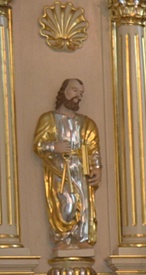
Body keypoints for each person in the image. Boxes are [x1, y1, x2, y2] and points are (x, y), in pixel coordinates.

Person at [34, 78, 101, 250]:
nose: (78, 96)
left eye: (81, 93)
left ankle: (82, 237)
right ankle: (62, 237)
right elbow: (39, 144)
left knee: (84, 204)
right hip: (59, 169)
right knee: (66, 202)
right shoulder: (48, 119)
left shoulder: (86, 123)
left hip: (80, 169)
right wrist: (54, 147)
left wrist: (96, 167)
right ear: (63, 91)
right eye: (74, 90)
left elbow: (93, 148)